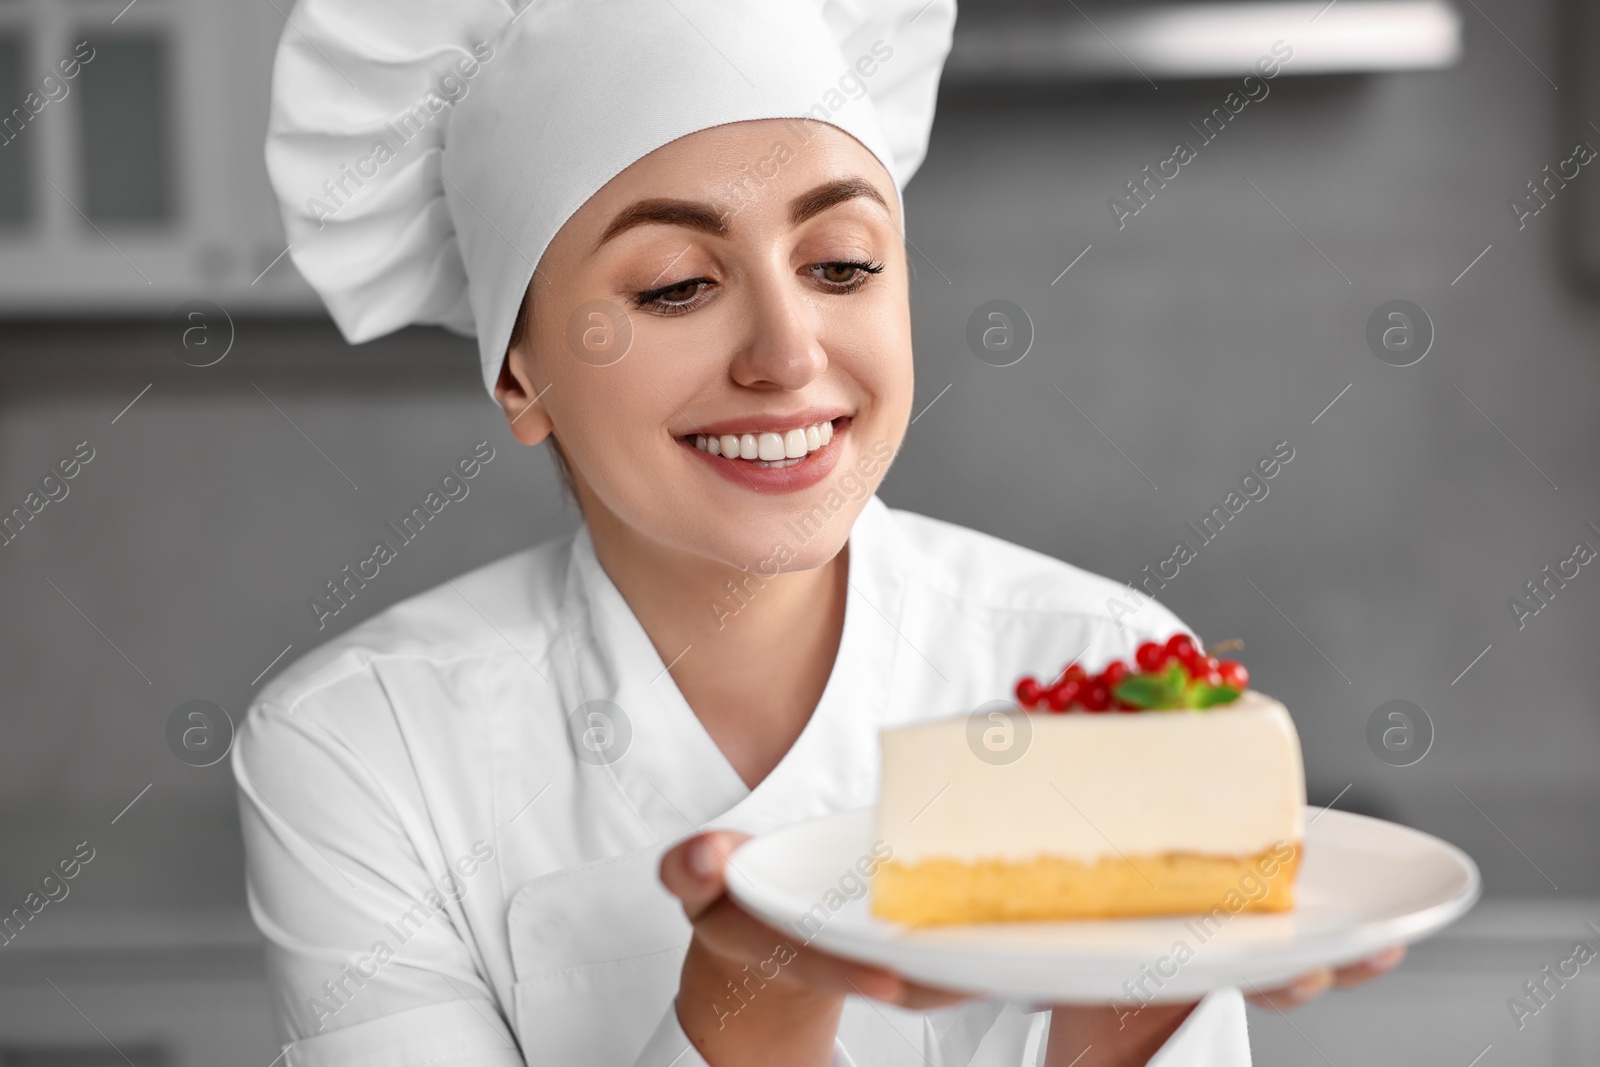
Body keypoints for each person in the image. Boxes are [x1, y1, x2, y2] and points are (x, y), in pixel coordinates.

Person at [238, 1, 1405, 1064]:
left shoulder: (1099, 667)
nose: (789, 355)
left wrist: (1130, 1016)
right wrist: (748, 1012)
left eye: (841, 263)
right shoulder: (362, 749)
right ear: (522, 375)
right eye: (676, 285)